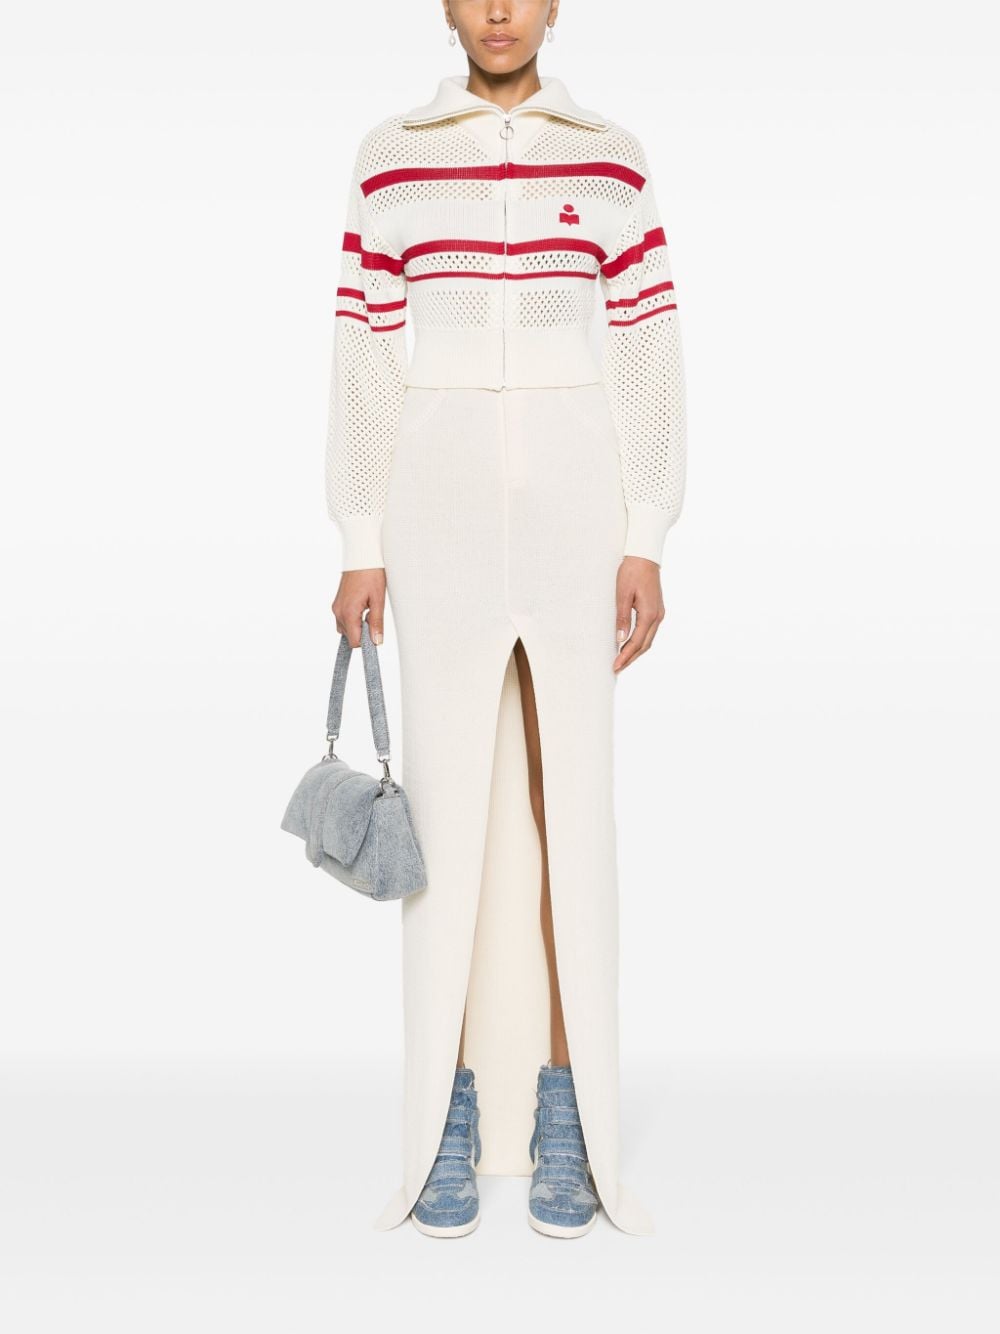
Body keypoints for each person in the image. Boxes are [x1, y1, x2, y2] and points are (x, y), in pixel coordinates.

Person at [327, 0, 686, 1239]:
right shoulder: (392, 155)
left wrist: (646, 528)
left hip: (577, 513)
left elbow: (647, 346)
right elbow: (364, 352)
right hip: (433, 511)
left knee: (568, 802)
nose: (498, 10)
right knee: (445, 809)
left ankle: (569, 1109)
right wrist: (360, 538)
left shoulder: (610, 155)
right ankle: (445, 1109)